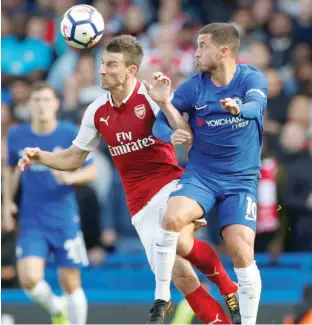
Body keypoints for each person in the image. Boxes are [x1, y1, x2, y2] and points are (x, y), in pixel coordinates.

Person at [17, 35, 239, 325]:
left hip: (171, 185)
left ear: (130, 70)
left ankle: (229, 288)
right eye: (102, 63)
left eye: (110, 64)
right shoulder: (96, 111)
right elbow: (73, 158)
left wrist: (167, 104)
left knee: (182, 243)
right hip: (139, 204)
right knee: (182, 277)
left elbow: (184, 132)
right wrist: (41, 157)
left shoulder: (150, 96)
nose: (102, 70)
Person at [146, 23, 268, 325]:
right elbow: (159, 123)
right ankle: (162, 299)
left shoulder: (250, 78)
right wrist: (168, 135)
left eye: (203, 46)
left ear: (224, 50)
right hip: (202, 176)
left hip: (241, 181)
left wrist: (238, 109)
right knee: (172, 219)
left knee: (241, 251)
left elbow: (256, 105)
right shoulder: (193, 86)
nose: (196, 53)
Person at [3, 82, 97, 324]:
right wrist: (6, 205)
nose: (41, 106)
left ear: (56, 104)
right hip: (32, 219)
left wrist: (71, 176)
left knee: (71, 282)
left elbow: (92, 171)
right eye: (36, 100)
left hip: (65, 218)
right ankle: (56, 308)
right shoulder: (17, 135)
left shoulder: (68, 133)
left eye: (46, 100)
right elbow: (11, 169)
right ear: (29, 105)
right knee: (29, 278)